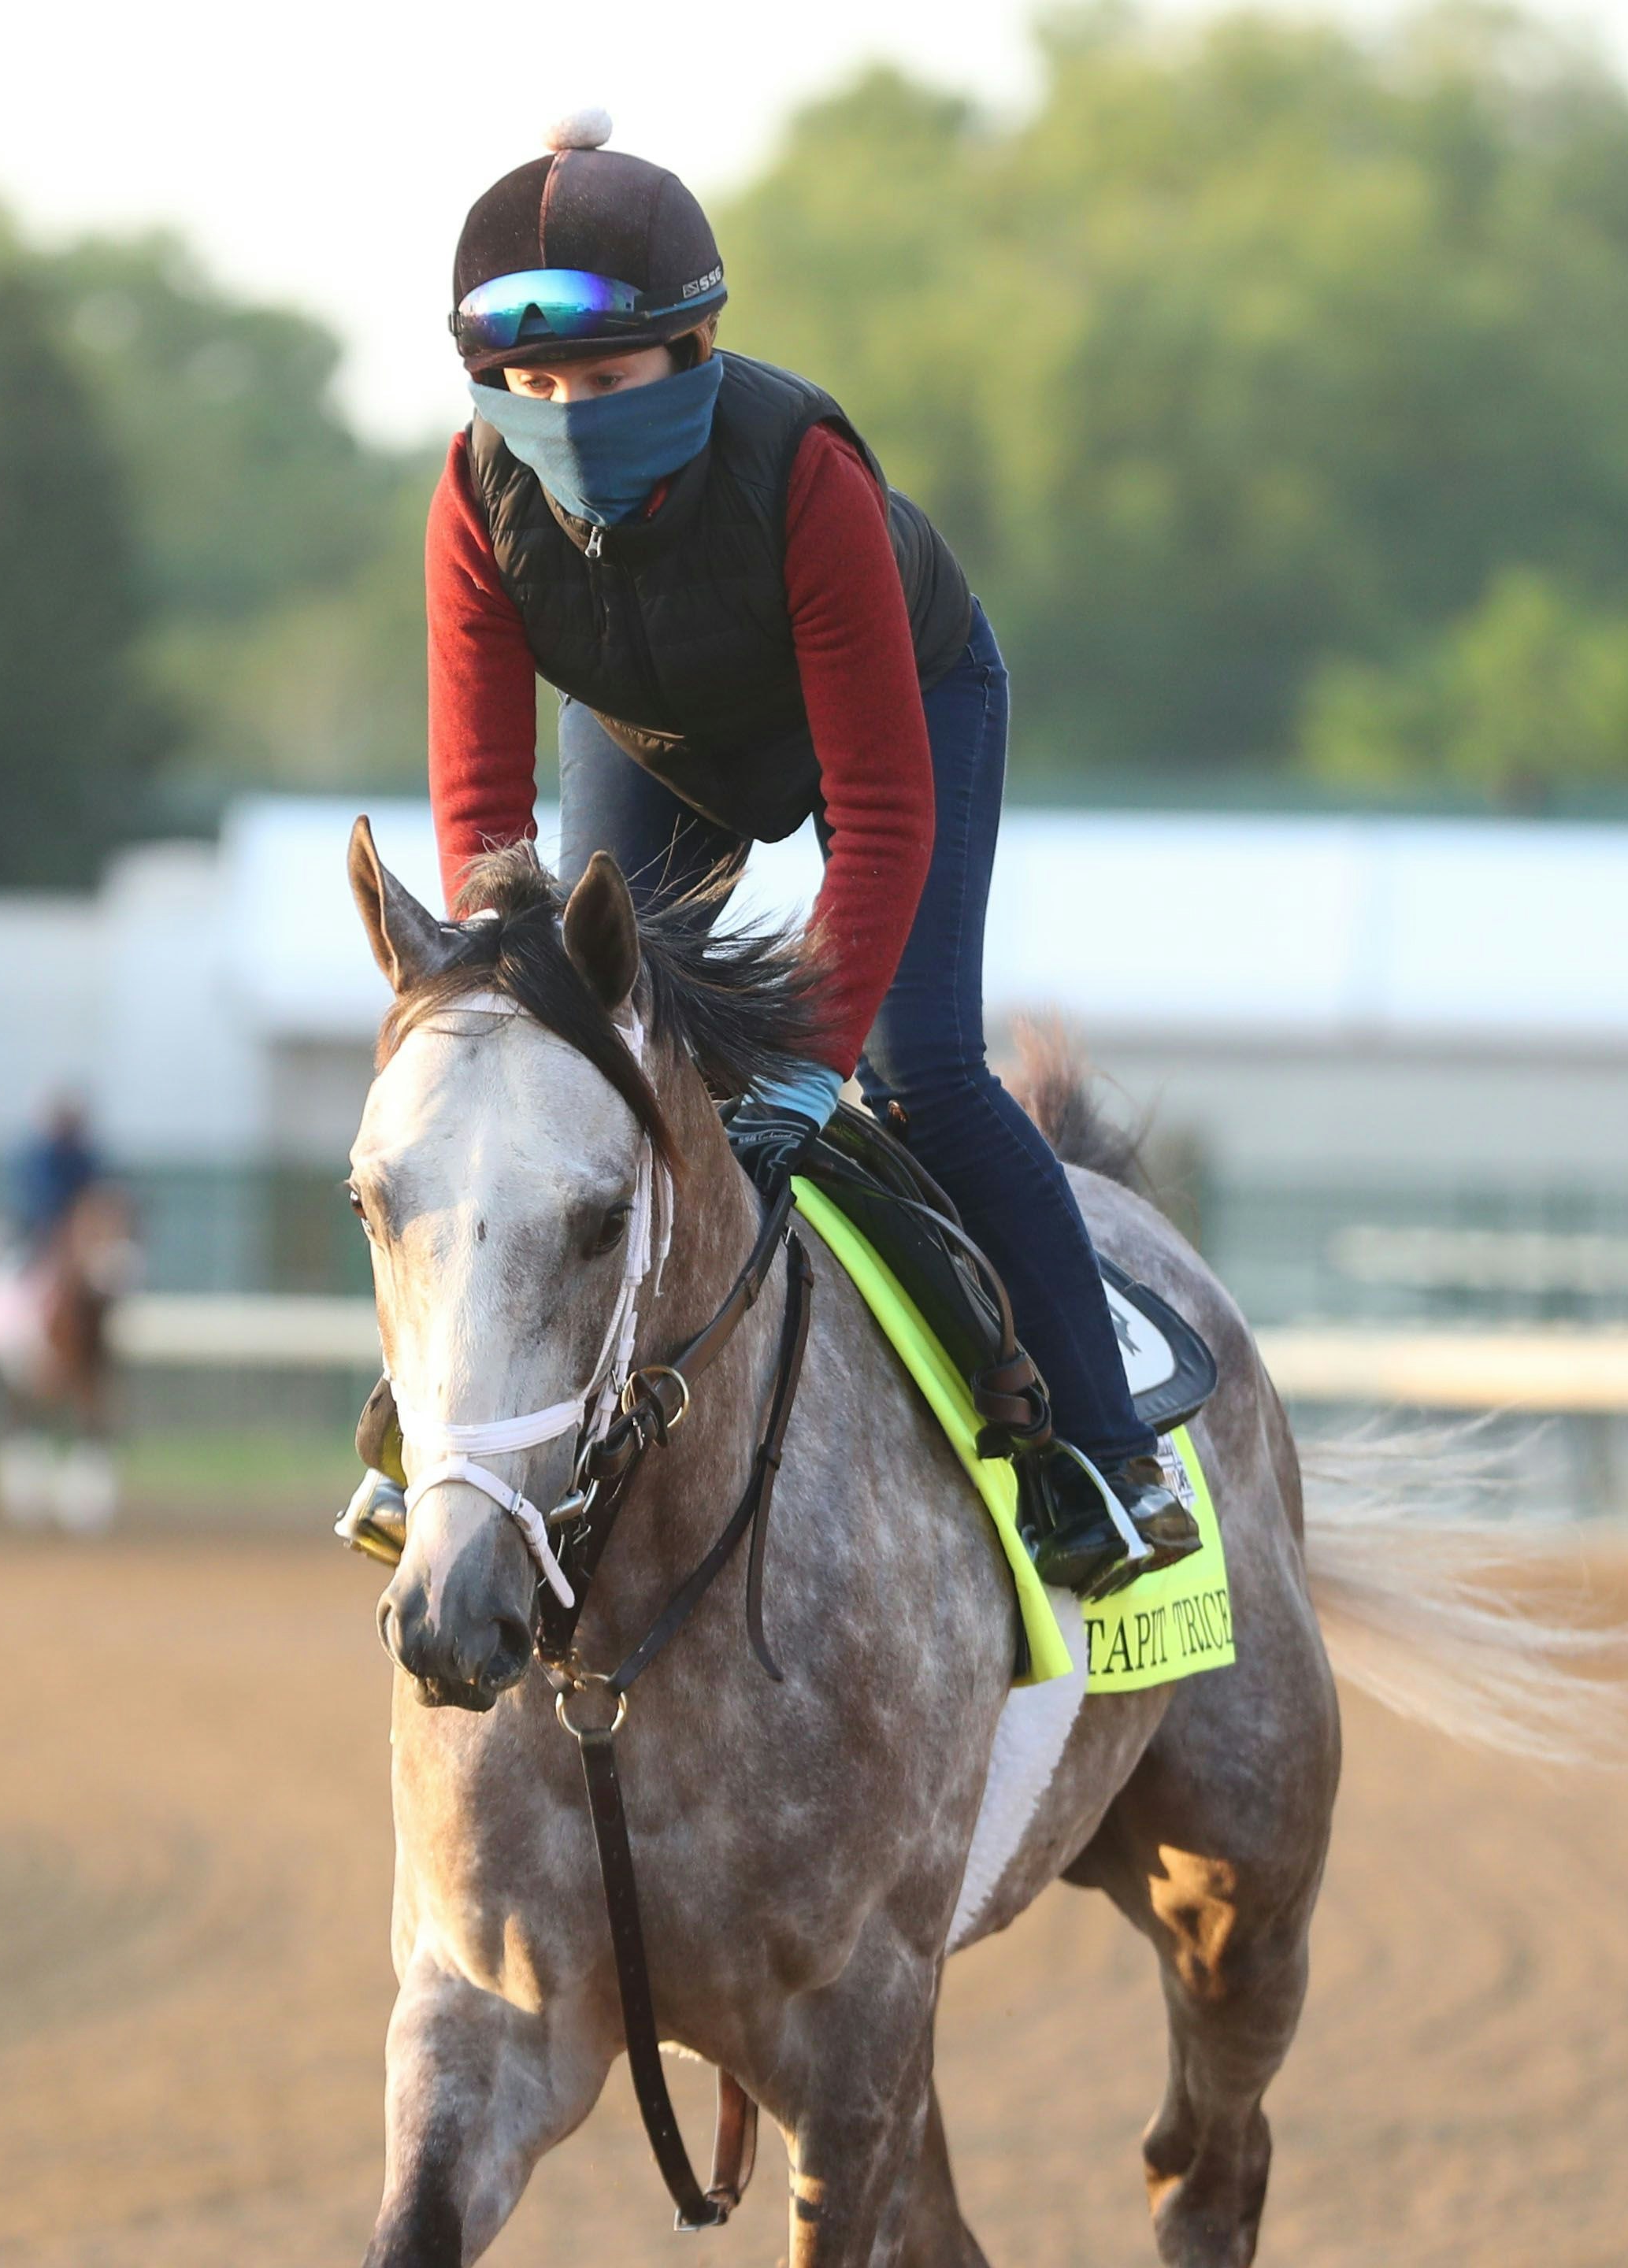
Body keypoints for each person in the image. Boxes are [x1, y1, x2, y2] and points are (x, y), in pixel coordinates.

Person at [426, 110, 1198, 1600]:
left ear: (695, 347)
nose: (567, 413)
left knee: (921, 1071)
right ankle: (463, 1455)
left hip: (905, 704)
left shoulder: (806, 473)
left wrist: (802, 1063)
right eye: (532, 384)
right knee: (562, 1092)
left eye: (605, 377)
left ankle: (1104, 1451)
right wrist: (514, 1012)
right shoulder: (474, 499)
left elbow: (883, 813)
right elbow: (480, 807)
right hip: (655, 738)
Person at [9, 1091, 100, 1251]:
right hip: (42, 1217)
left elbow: (92, 1185)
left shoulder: (82, 1156)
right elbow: (40, 1190)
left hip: (74, 1216)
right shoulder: (42, 1154)